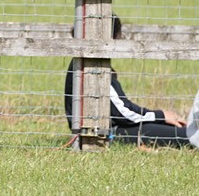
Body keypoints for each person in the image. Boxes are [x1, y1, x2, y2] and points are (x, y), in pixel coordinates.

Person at [64, 15, 191, 147]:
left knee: (179, 130)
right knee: (188, 136)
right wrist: (161, 115)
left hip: (115, 128)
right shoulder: (95, 68)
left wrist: (160, 118)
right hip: (113, 133)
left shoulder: (82, 63)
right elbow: (122, 114)